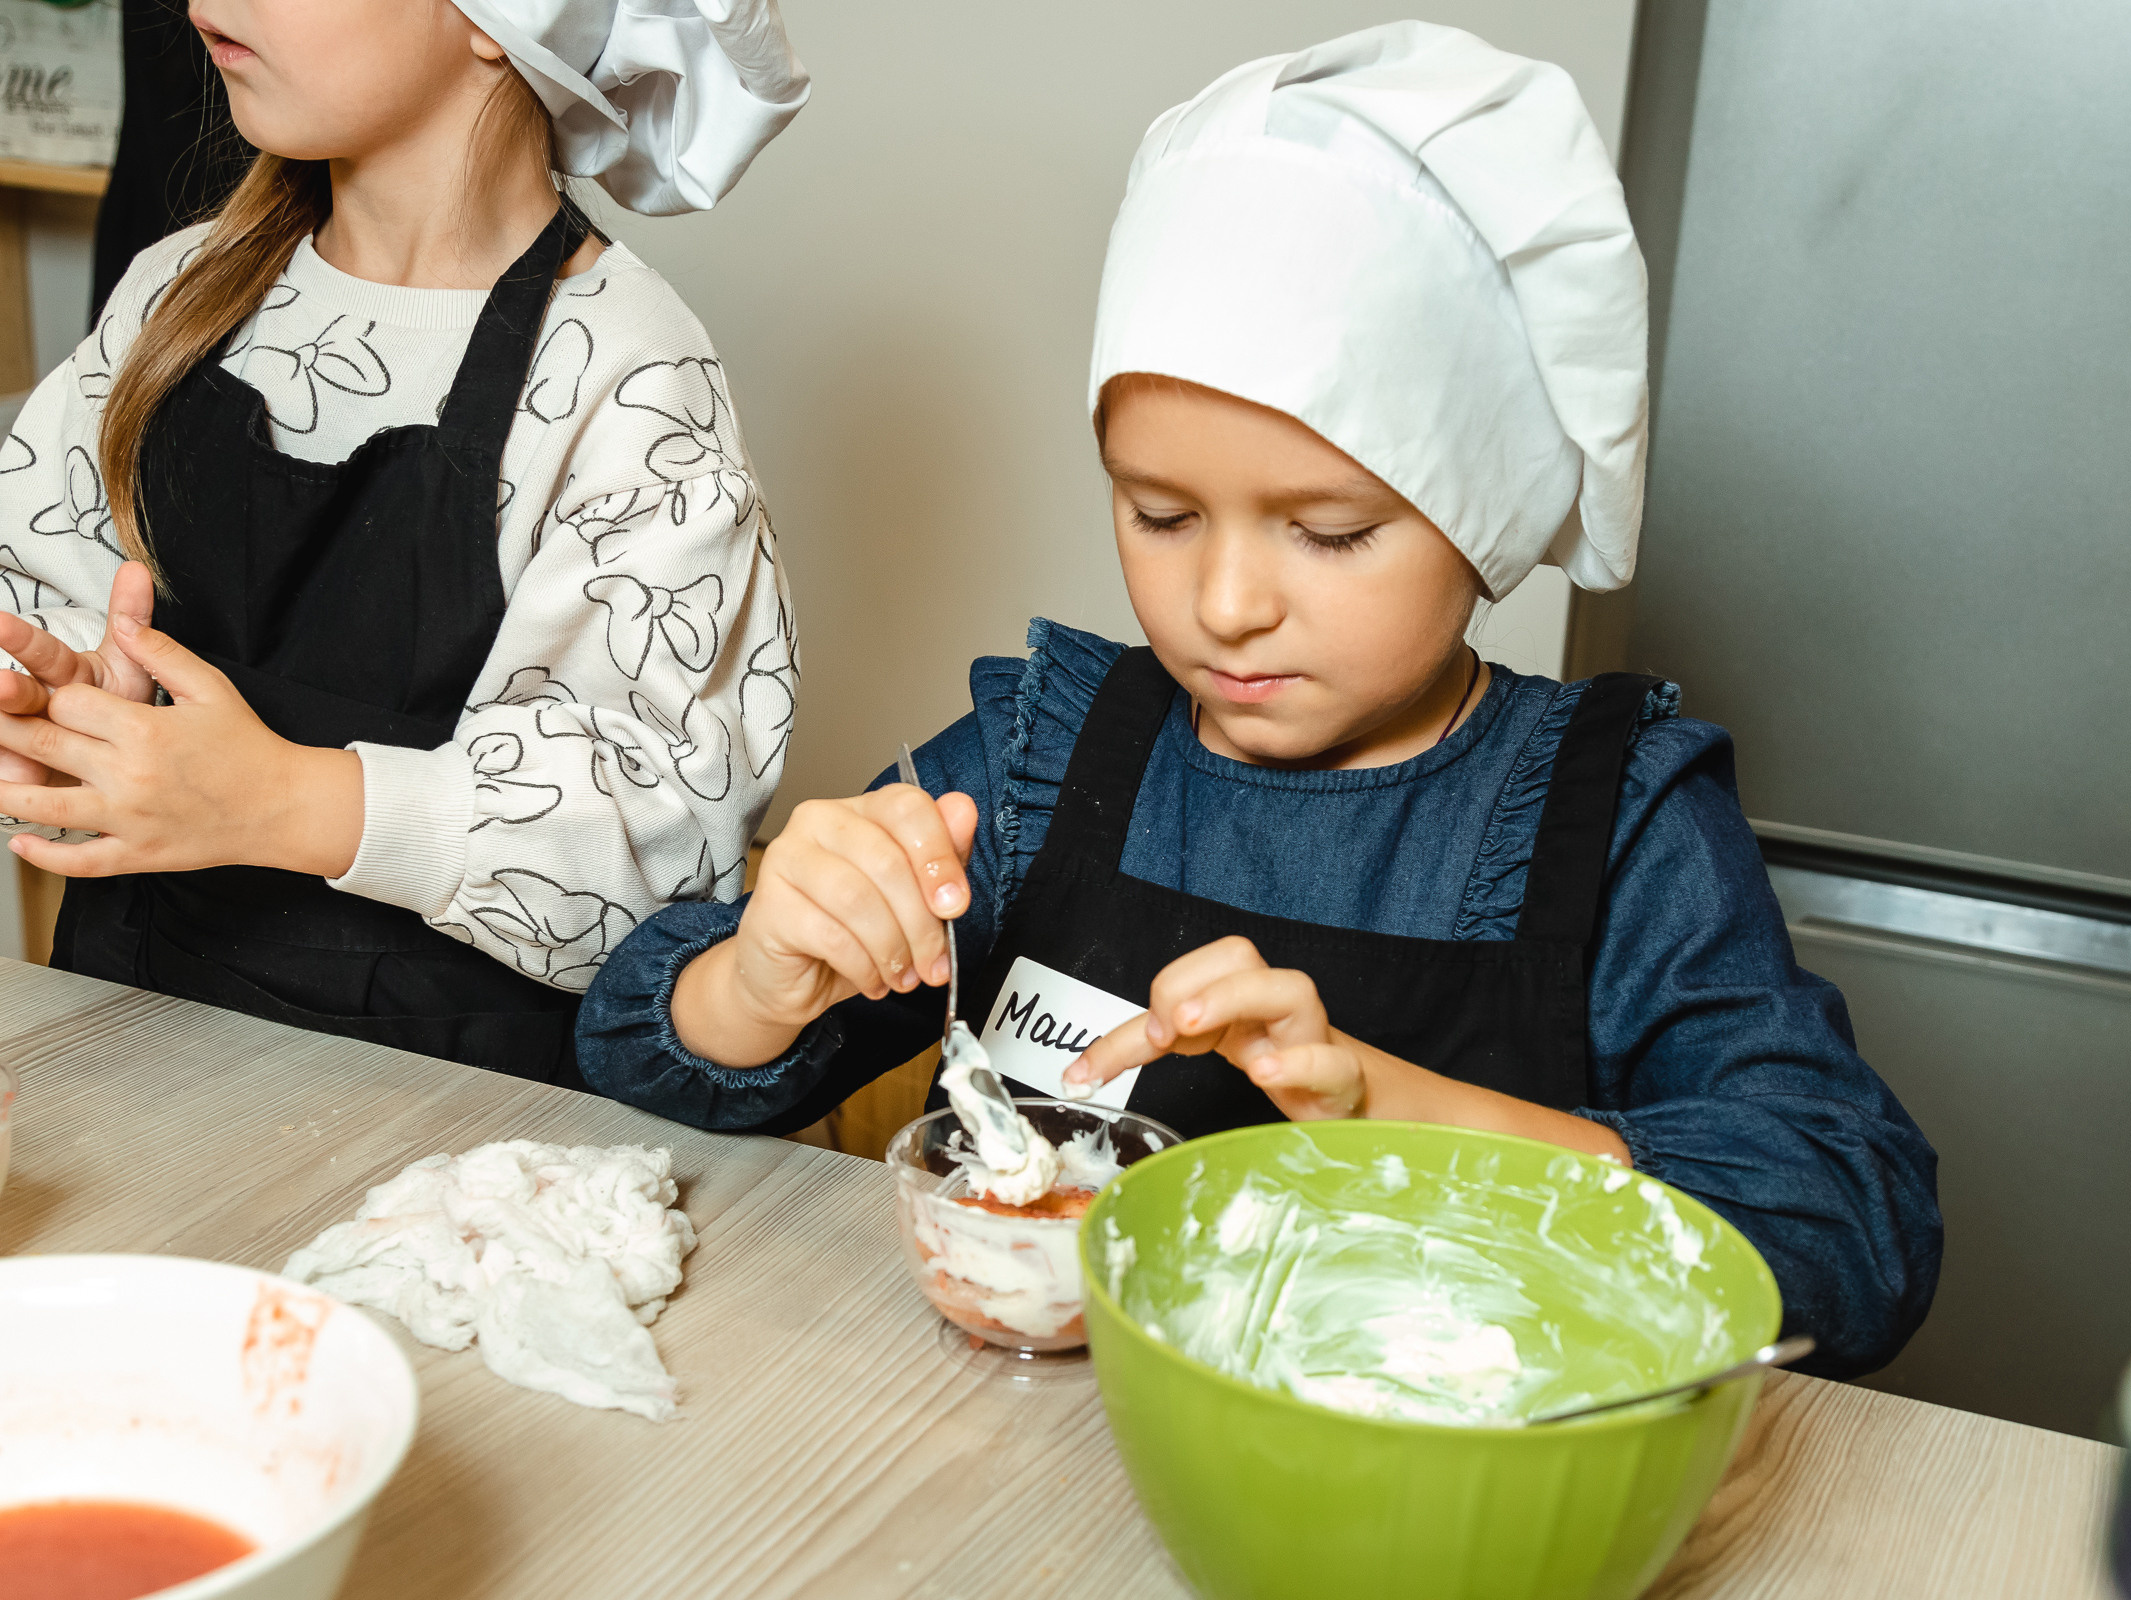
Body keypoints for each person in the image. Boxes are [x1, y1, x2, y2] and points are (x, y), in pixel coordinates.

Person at [575, 23, 1941, 1374]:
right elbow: (648, 1061)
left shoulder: (1616, 817)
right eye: (1161, 513)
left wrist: (1383, 1113)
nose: (1224, 603)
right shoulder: (1046, 752)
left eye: (1329, 532)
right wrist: (756, 979)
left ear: (1487, 506)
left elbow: (1849, 1229)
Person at [0, 0, 805, 1084]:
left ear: (498, 18)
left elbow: (656, 853)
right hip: (130, 1065)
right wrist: (72, 706)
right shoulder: (176, 294)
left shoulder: (625, 377)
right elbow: (38, 571)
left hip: (456, 1132)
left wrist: (282, 799)